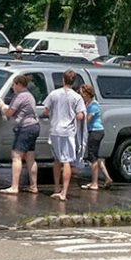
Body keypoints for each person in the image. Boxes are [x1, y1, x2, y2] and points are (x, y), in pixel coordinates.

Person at [0, 75, 40, 195]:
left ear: (18, 84)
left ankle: (14, 186)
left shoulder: (20, 96)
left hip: (25, 128)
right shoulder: (29, 95)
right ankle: (33, 186)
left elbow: (9, 113)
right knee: (30, 157)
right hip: (34, 126)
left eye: (13, 84)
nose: (13, 87)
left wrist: (0, 105)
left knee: (16, 156)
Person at [42, 69, 86, 201]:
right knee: (66, 161)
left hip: (55, 130)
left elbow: (46, 110)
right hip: (67, 132)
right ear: (74, 81)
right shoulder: (77, 97)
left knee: (56, 160)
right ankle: (64, 192)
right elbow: (80, 115)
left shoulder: (54, 94)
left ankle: (56, 188)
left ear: (63, 79)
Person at [79, 84, 113, 191]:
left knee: (92, 157)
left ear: (88, 94)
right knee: (96, 157)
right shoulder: (87, 103)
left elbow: (88, 119)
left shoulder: (94, 105)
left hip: (96, 132)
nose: (81, 95)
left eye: (83, 94)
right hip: (94, 131)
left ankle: (94, 183)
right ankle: (107, 178)